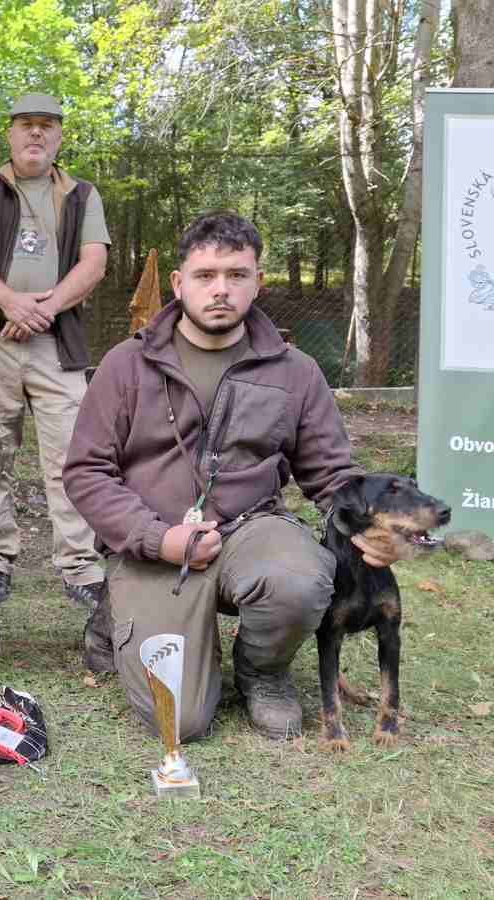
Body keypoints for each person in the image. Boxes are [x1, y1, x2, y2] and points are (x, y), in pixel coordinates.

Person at [62, 210, 398, 741]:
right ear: (179, 283)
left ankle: (263, 671)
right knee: (182, 720)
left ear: (257, 282)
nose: (221, 289)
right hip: (156, 541)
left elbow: (331, 472)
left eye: (236, 275)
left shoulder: (295, 370)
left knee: (301, 578)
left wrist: (369, 522)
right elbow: (87, 471)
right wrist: (157, 538)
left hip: (251, 529)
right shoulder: (126, 364)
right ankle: (117, 610)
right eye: (206, 275)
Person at [0, 92, 110, 609]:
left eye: (46, 125)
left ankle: (79, 566)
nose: (36, 133)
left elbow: (93, 264)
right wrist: (9, 302)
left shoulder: (83, 195)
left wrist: (44, 309)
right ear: (10, 133)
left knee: (70, 455)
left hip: (55, 343)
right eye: (25, 124)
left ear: (59, 135)